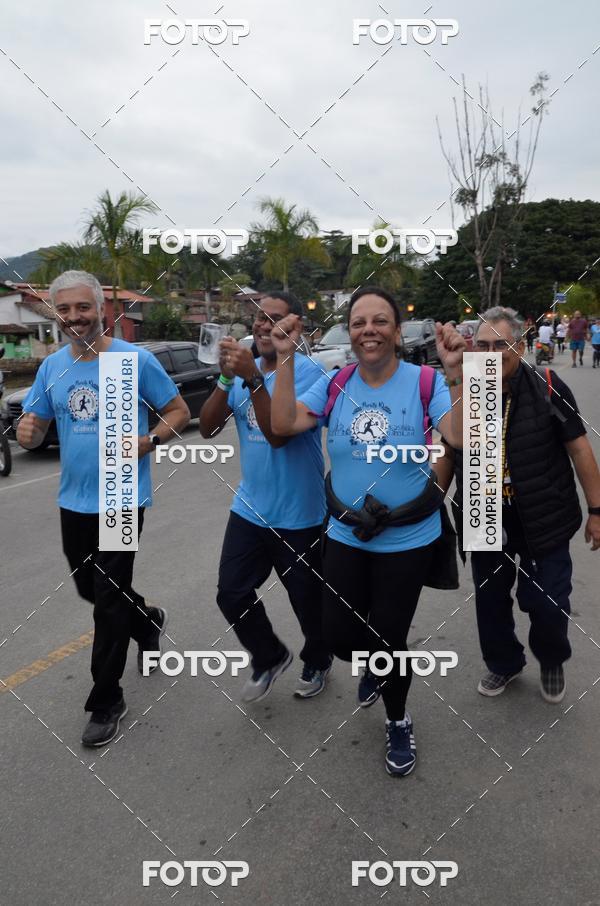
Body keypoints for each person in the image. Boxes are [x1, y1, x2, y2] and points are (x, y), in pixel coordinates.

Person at [269, 286, 465, 777]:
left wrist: (459, 374)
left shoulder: (424, 381)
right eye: (359, 323)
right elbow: (284, 424)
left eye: (380, 321)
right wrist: (285, 359)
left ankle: (398, 718)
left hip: (408, 538)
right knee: (338, 635)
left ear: (398, 332)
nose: (369, 330)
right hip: (345, 533)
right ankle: (376, 664)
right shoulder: (336, 385)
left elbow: (460, 436)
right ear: (349, 333)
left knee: (391, 638)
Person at [17, 271, 190, 746]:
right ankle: (148, 620)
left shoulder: (130, 361)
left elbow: (178, 411)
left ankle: (106, 699)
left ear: (102, 311)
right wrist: (27, 433)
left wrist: (150, 439)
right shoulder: (52, 367)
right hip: (72, 498)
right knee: (89, 589)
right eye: (65, 310)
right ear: (56, 314)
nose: (75, 318)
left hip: (119, 494)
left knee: (108, 599)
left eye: (83, 308)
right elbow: (33, 422)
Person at [449, 307, 600, 703]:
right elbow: (448, 447)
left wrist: (597, 511)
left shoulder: (548, 385)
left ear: (520, 345)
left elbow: (580, 449)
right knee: (490, 599)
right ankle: (504, 663)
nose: (490, 353)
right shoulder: (466, 389)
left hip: (542, 514)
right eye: (482, 346)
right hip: (485, 515)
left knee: (549, 602)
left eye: (500, 345)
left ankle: (551, 659)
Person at [199, 292, 332, 703]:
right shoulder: (245, 369)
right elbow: (206, 428)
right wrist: (226, 377)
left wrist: (254, 381)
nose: (262, 325)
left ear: (296, 330)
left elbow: (277, 435)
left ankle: (318, 658)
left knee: (307, 600)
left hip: (301, 514)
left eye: (275, 320)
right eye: (258, 318)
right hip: (250, 509)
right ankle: (269, 655)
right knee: (231, 592)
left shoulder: (312, 375)